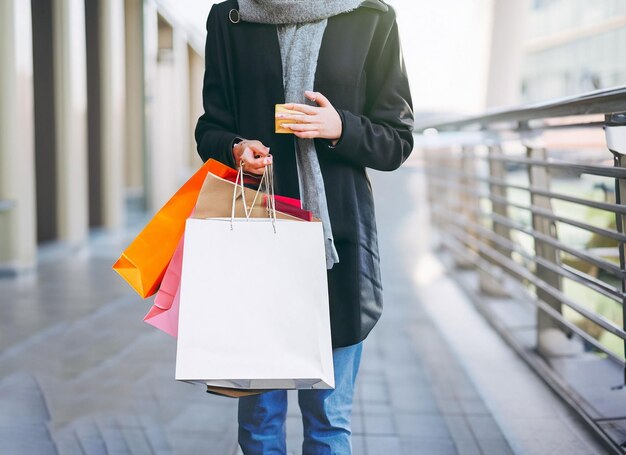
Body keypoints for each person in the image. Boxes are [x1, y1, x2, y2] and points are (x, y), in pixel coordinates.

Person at [194, 0, 414, 453]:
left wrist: (339, 127)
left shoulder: (371, 17)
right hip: (257, 247)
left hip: (337, 251)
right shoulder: (231, 17)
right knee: (258, 424)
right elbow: (209, 129)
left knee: (329, 423)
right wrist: (235, 148)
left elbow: (397, 140)